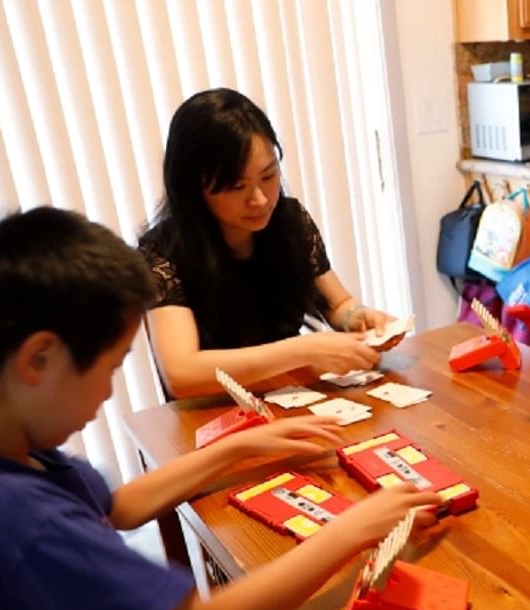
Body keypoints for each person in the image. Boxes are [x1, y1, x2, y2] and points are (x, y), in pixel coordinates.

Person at [0, 207, 441, 610]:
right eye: (109, 370)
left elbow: (117, 506)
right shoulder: (15, 522)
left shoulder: (8, 453)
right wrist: (357, 528)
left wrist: (234, 449)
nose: (110, 392)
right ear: (38, 359)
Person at [140, 88, 400, 399]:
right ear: (194, 189)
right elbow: (181, 374)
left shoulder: (289, 221)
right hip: (215, 416)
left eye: (268, 176)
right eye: (237, 186)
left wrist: (358, 318)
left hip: (292, 397)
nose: (261, 200)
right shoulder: (163, 253)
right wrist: (302, 350)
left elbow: (338, 305)